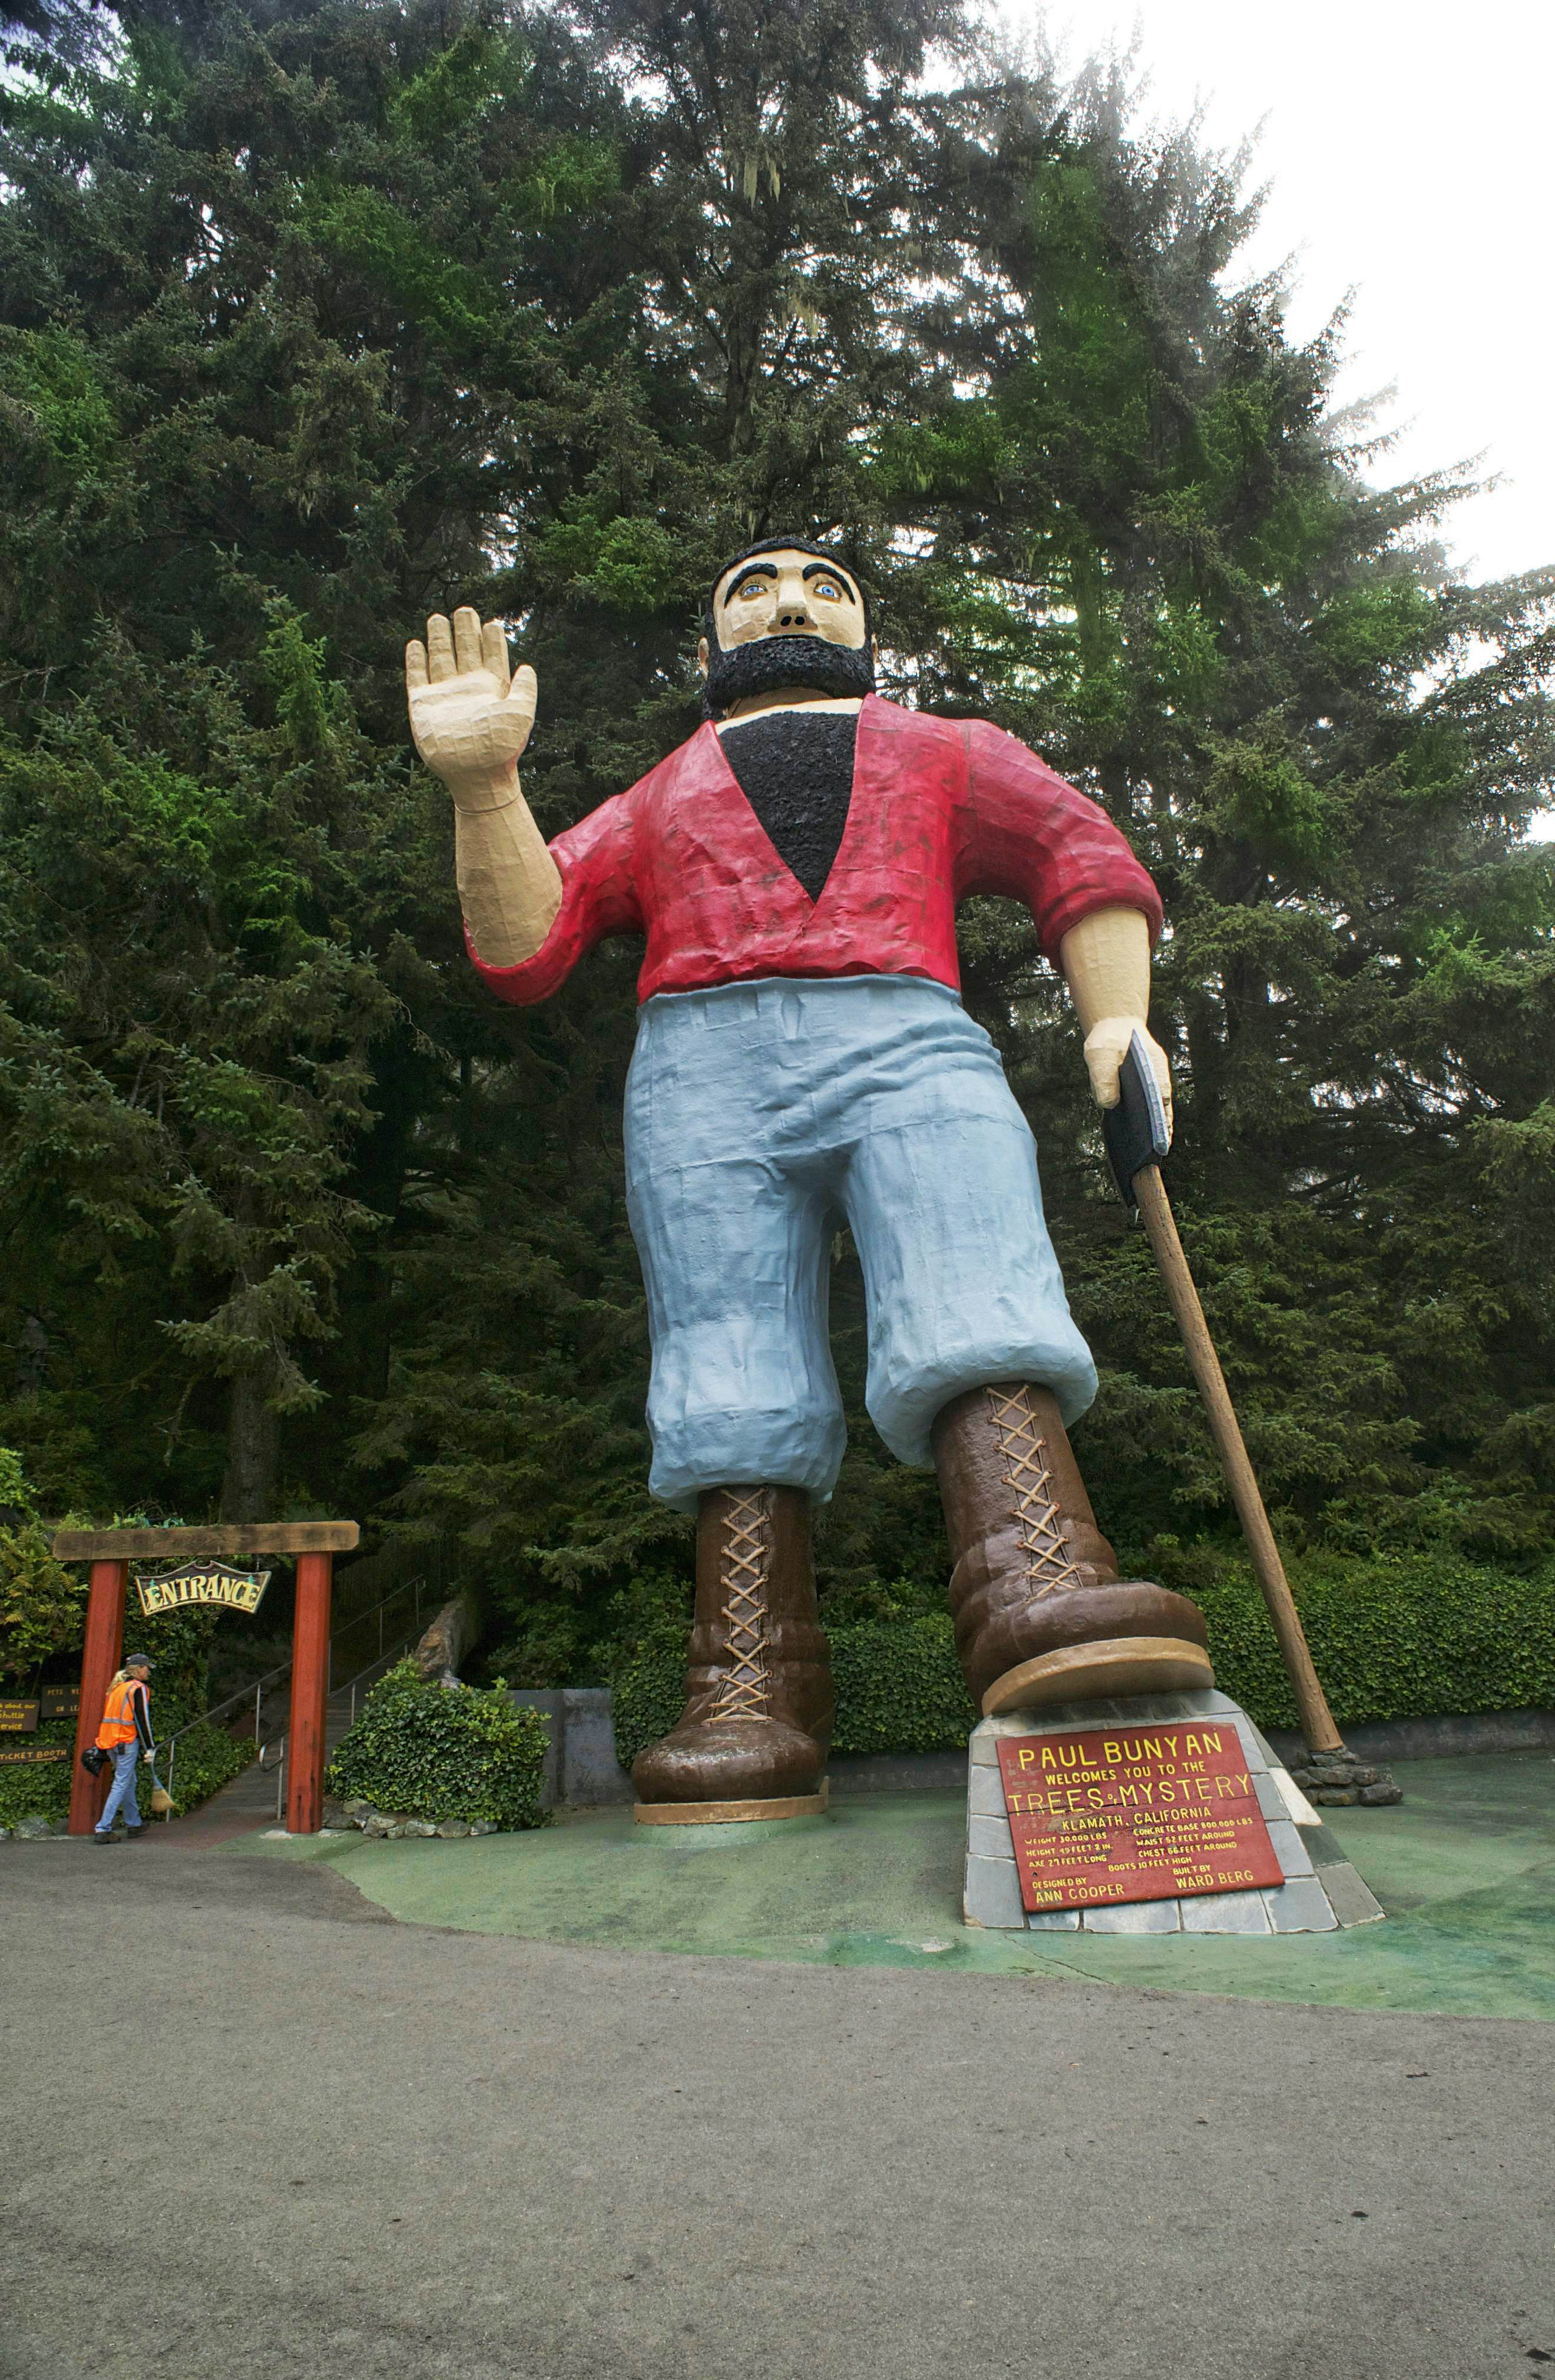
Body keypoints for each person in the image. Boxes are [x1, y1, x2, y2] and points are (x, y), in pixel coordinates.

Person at [404, 540, 1214, 1821]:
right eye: (755, 588)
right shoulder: (663, 793)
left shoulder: (949, 751)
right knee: (727, 1352)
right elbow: (529, 941)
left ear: (864, 626)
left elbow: (1082, 852)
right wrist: (485, 788)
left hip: (907, 1029)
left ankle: (1038, 1579)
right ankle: (747, 1678)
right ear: (713, 644)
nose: (790, 600)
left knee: (970, 1259)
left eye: (825, 584)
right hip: (702, 1065)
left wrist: (1118, 1017)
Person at [94, 1654, 155, 1842]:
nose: (149, 1672)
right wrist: (150, 1747)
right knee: (121, 1783)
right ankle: (103, 1829)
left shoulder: (117, 1687)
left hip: (110, 1741)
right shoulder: (138, 1689)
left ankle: (134, 1823)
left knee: (128, 1781)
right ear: (138, 1669)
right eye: (147, 1668)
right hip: (126, 1741)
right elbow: (142, 1719)